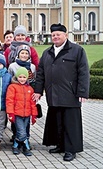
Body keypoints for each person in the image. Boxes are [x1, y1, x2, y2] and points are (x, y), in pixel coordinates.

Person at [34, 23, 90, 162]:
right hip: (54, 93)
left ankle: (71, 150)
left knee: (70, 123)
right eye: (53, 35)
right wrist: (38, 91)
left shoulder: (77, 50)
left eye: (58, 34)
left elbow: (83, 72)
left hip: (70, 94)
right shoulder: (47, 52)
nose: (55, 37)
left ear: (65, 35)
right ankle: (60, 145)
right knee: (57, 121)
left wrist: (82, 92)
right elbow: (40, 73)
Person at [6, 67, 38, 156]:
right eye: (20, 77)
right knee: (22, 131)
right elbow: (9, 101)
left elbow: (33, 103)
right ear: (17, 77)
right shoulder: (12, 87)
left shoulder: (30, 89)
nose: (22, 79)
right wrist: (10, 113)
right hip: (17, 114)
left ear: (27, 78)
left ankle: (16, 144)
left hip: (27, 114)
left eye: (24, 77)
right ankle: (26, 146)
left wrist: (34, 115)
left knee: (24, 131)